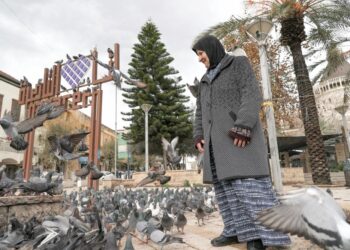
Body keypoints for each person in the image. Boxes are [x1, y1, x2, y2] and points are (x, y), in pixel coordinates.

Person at [192, 35, 291, 250]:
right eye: (197, 55)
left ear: (212, 48)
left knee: (250, 189)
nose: (199, 58)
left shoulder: (237, 64)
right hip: (214, 144)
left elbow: (251, 94)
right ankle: (235, 231)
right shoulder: (204, 80)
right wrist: (198, 134)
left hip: (238, 138)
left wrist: (244, 125)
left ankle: (265, 236)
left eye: (201, 53)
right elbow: (200, 110)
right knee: (226, 190)